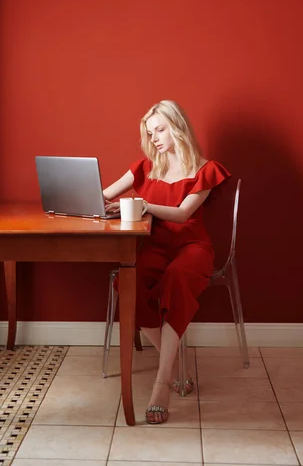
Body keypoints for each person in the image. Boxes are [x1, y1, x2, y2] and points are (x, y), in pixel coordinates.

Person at [102, 99, 231, 424]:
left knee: (177, 277)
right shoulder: (145, 167)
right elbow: (102, 195)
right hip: (152, 245)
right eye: (150, 132)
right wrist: (91, 201)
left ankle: (161, 385)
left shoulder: (205, 168)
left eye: (160, 129)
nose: (155, 137)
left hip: (192, 245)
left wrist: (142, 204)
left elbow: (183, 213)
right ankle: (174, 365)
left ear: (178, 127)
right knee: (128, 280)